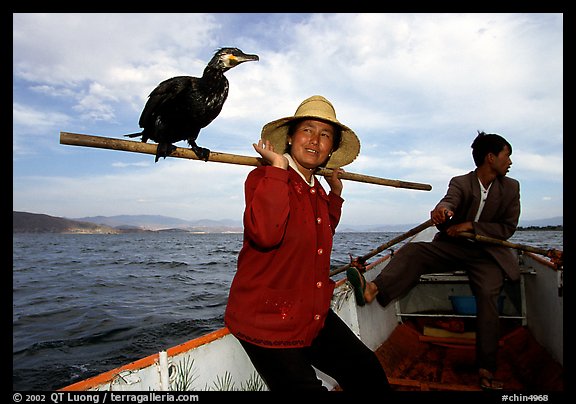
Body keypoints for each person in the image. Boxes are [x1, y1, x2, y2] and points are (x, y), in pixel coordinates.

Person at [224, 95, 390, 391]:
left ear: (331, 149)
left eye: (325, 135)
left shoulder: (316, 190)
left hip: (310, 313)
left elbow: (319, 233)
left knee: (369, 372)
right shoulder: (263, 177)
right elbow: (266, 234)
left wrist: (335, 194)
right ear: (290, 138)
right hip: (267, 317)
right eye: (307, 130)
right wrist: (276, 169)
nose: (315, 140)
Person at [347, 131, 520, 391]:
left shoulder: (511, 187)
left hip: (487, 254)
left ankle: (486, 368)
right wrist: (443, 212)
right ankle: (373, 288)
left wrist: (471, 226)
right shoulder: (461, 182)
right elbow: (450, 200)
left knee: (487, 295)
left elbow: (507, 228)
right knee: (414, 251)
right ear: (491, 157)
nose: (510, 162)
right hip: (454, 248)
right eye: (507, 156)